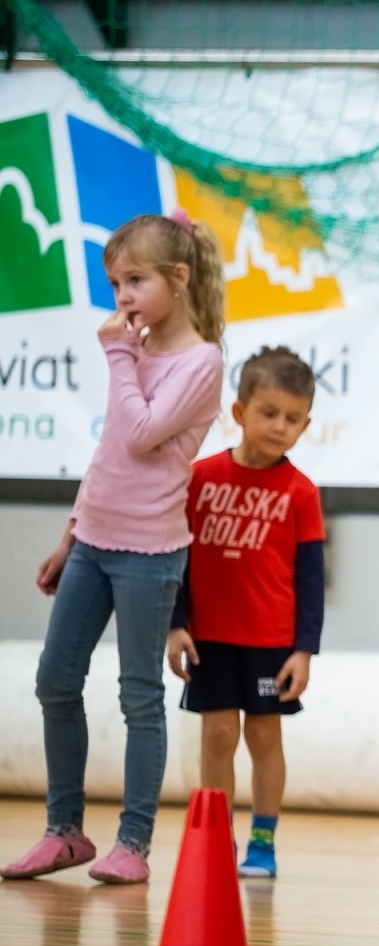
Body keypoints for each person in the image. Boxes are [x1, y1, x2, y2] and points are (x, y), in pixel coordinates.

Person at [1, 211, 225, 886]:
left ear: (178, 279)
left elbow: (140, 435)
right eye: (115, 283)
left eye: (134, 281)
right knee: (54, 680)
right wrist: (70, 536)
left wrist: (119, 356)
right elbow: (107, 458)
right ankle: (64, 831)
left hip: (149, 553)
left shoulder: (200, 360)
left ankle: (134, 843)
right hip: (94, 541)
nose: (122, 296)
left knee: (138, 697)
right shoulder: (137, 352)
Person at [166, 347, 325, 879]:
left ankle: (262, 841)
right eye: (269, 413)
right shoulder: (198, 478)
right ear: (239, 413)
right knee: (216, 736)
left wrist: (303, 650)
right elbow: (176, 559)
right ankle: (217, 841)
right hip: (209, 637)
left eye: (293, 418)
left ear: (306, 424)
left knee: (263, 735)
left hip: (270, 641)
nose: (280, 427)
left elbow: (309, 578)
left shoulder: (301, 493)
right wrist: (175, 625)